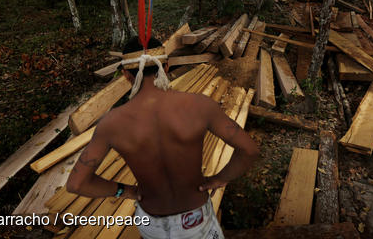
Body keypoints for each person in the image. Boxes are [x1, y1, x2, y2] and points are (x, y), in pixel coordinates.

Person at [66, 36, 260, 239]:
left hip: (152, 223)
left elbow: (76, 184)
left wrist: (126, 191)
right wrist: (219, 179)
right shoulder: (200, 106)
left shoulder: (111, 123)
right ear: (166, 66)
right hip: (195, 219)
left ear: (125, 74)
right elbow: (250, 150)